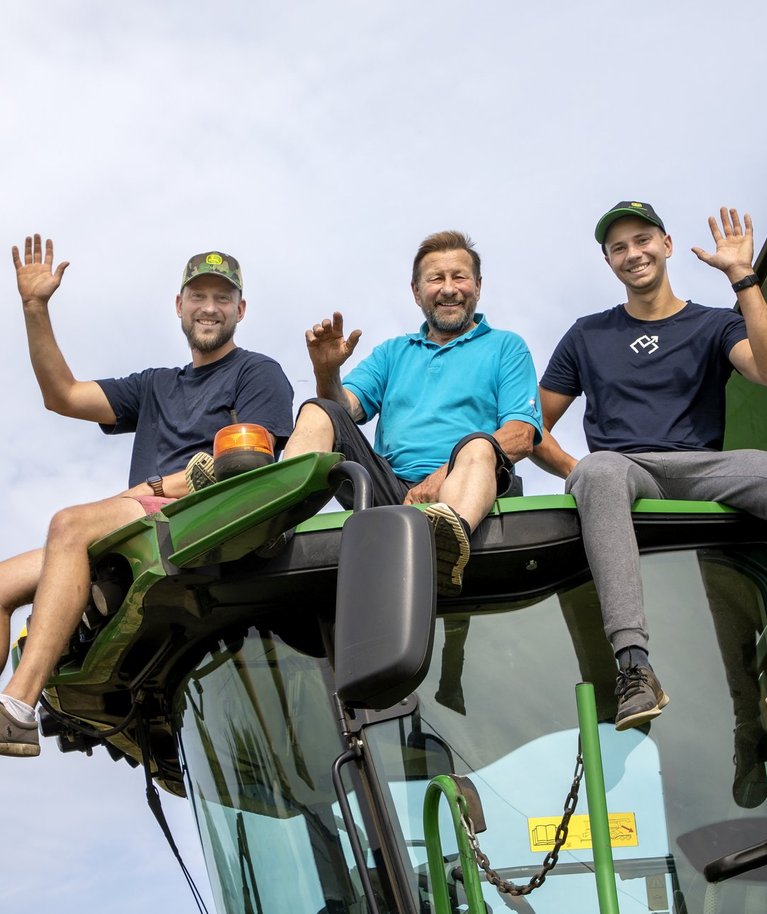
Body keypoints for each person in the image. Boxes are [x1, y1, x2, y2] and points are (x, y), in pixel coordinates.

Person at [0, 236, 293, 757]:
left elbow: (253, 463)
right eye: (198, 296)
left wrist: (152, 488)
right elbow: (62, 395)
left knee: (70, 522)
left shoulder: (257, 372)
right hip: (132, 524)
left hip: (193, 520)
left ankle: (17, 707)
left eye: (222, 298)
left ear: (240, 310)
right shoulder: (156, 384)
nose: (209, 308)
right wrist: (34, 309)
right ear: (178, 305)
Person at [535, 201, 767, 730]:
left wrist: (742, 276)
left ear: (665, 244)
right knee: (599, 470)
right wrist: (585, 474)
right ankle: (635, 668)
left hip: (703, 468)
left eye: (642, 240)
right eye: (619, 247)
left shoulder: (713, 323)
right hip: (626, 467)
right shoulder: (587, 334)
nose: (632, 253)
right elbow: (531, 428)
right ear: (608, 261)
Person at [281, 230, 542, 595]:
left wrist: (442, 476)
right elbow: (344, 412)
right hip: (391, 491)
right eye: (436, 278)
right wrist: (326, 372)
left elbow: (520, 435)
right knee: (318, 410)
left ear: (478, 286)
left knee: (480, 445)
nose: (449, 288)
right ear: (416, 291)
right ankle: (276, 522)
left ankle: (444, 549)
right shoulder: (393, 353)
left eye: (459, 277)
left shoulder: (505, 347)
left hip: (467, 486)